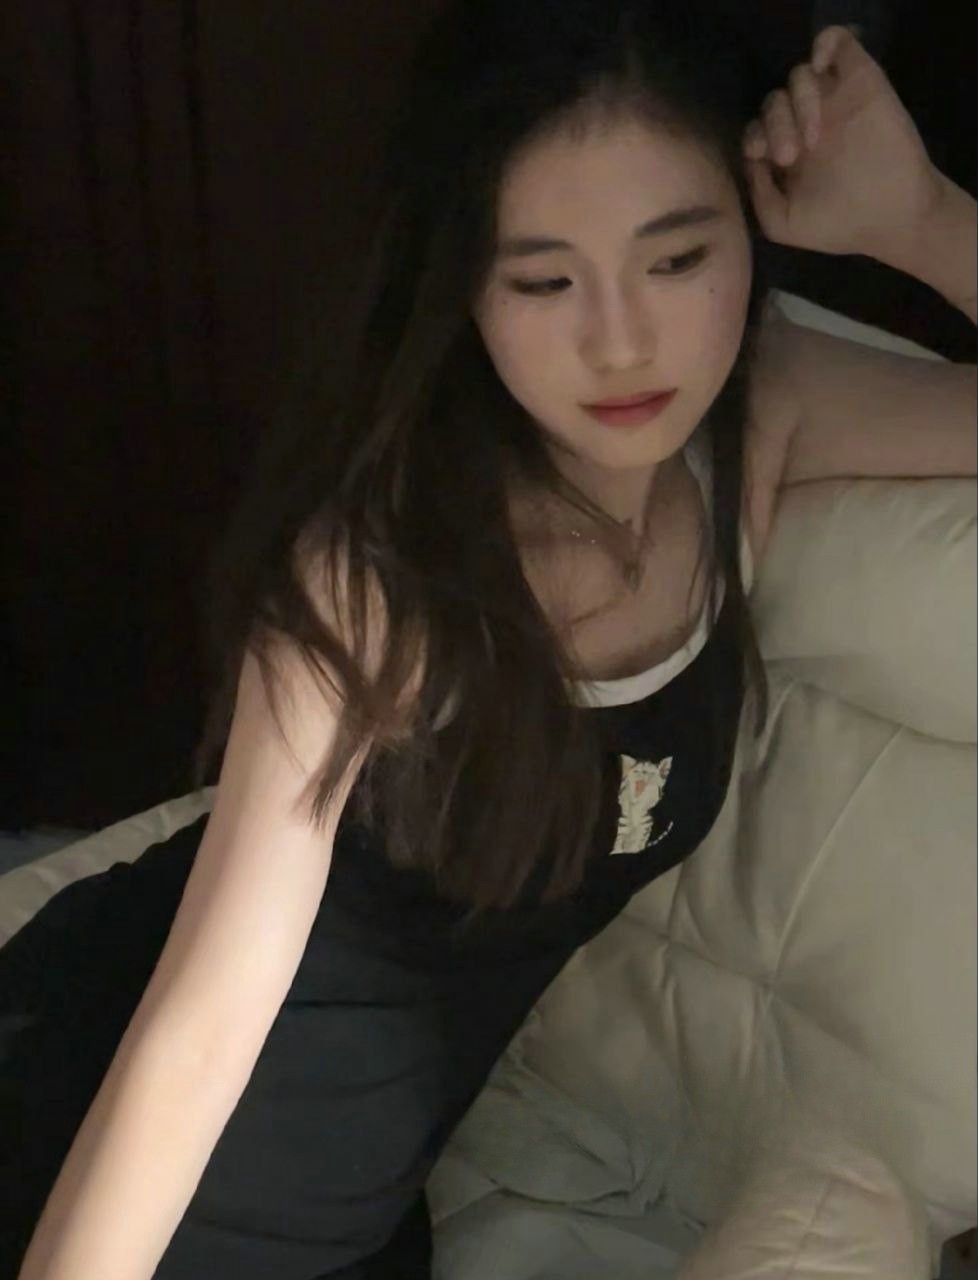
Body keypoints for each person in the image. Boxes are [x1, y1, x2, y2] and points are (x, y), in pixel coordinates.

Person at [0, 0, 785, 1275]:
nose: (622, 341)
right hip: (116, 1133)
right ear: (461, 286)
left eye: (679, 258)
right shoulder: (380, 574)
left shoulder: (758, 424)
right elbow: (199, 1034)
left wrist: (911, 220)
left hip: (355, 1200)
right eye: (543, 280)